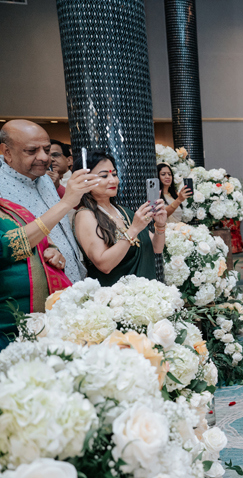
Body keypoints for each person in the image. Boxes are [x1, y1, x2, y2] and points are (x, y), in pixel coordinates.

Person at [0, 168, 100, 347]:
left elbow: (38, 238)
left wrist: (51, 249)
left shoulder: (10, 208)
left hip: (43, 324)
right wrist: (67, 202)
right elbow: (9, 246)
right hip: (9, 328)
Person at [0, 120, 86, 282]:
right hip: (33, 291)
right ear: (7, 152)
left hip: (71, 282)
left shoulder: (45, 178)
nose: (44, 157)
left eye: (47, 150)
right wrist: (66, 202)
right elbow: (9, 245)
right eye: (31, 151)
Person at [73, 151, 167, 286]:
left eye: (114, 174)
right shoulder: (86, 215)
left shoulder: (123, 211)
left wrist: (160, 225)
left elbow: (157, 248)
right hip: (116, 298)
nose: (113, 180)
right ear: (85, 180)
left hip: (143, 294)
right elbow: (104, 265)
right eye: (104, 176)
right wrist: (134, 229)